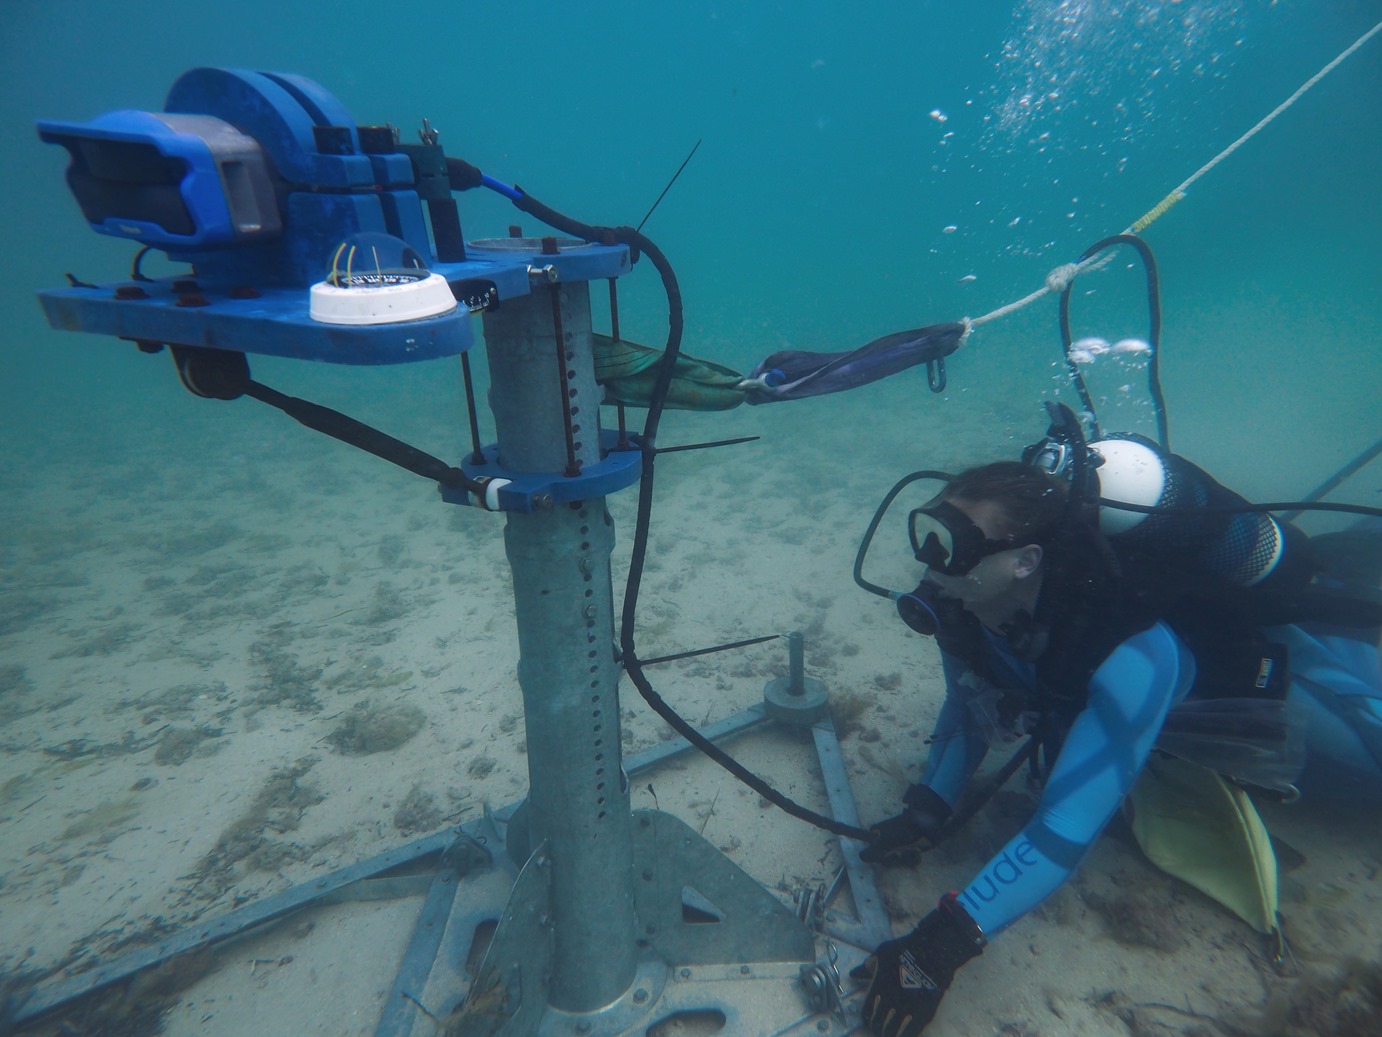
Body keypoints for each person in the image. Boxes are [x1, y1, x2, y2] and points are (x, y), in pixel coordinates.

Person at [852, 460, 1382, 1037]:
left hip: (1254, 686)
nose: (930, 558)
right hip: (1123, 714)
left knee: (1367, 761)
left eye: (955, 544)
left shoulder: (1132, 652)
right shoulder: (967, 602)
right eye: (928, 531)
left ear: (1024, 561)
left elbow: (1063, 826)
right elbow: (968, 706)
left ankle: (1356, 563)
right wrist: (928, 805)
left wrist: (943, 942)